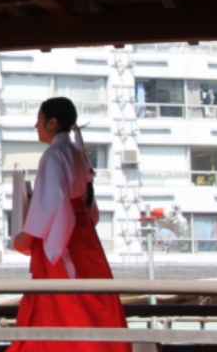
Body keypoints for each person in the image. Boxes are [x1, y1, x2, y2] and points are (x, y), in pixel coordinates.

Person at [9, 97, 129, 352]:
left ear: (52, 122)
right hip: (82, 235)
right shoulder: (74, 152)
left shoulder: (54, 155)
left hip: (64, 236)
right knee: (89, 299)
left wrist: (28, 234)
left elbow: (52, 202)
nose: (36, 125)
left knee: (63, 301)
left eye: (39, 119)